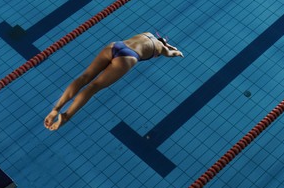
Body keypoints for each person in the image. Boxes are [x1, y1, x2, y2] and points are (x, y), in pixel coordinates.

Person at [44, 32, 184, 131]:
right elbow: (172, 53)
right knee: (93, 87)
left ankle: (55, 109)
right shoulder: (161, 49)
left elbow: (161, 42)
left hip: (115, 46)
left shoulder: (146, 33)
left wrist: (166, 44)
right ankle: (66, 117)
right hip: (127, 57)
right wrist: (176, 52)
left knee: (84, 77)